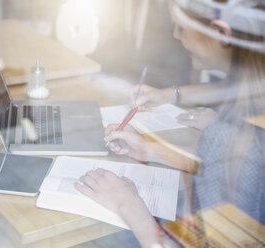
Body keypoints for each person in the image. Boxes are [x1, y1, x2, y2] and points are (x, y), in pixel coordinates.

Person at [74, 0, 265, 247]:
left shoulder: (227, 136)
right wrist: (148, 150)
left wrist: (128, 204)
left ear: (221, 33)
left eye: (182, 28)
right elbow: (231, 173)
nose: (175, 36)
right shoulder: (250, 109)